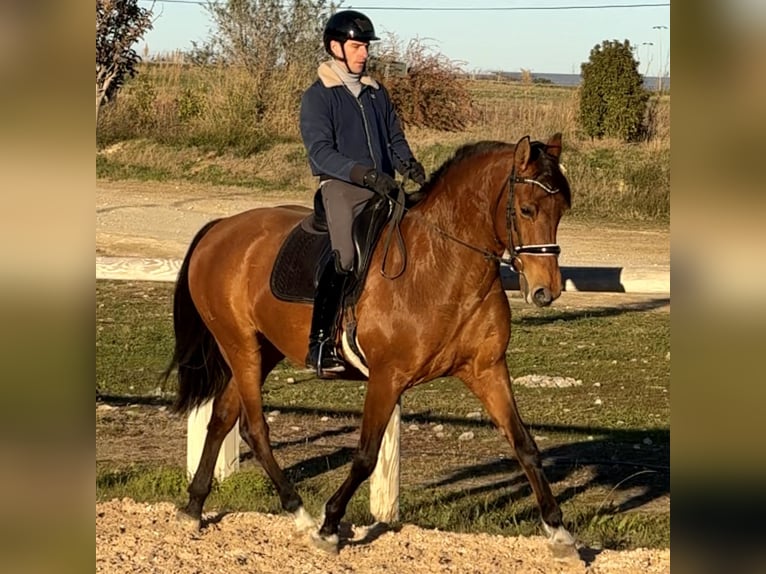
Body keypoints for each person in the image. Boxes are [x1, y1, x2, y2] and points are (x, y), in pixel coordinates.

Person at [299, 9, 426, 378]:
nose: (364, 53)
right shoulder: (318, 97)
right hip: (342, 187)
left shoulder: (375, 93)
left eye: (365, 47)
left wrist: (410, 166)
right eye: (357, 46)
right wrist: (363, 173)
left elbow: (394, 138)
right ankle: (320, 342)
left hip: (383, 185)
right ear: (335, 47)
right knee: (344, 256)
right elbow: (320, 152)